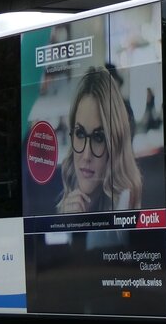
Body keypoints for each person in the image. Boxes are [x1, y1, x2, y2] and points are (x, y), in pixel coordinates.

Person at [57, 66, 143, 213]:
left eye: (98, 137)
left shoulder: (125, 204)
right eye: (80, 134)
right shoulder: (64, 195)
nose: (86, 155)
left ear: (114, 143)